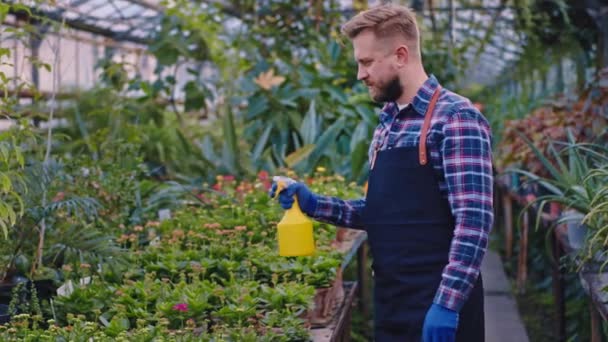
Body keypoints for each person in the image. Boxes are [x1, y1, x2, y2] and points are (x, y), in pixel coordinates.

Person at [270, 4, 493, 342]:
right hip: (391, 302)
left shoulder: (456, 118)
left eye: (367, 62)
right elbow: (385, 212)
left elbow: (474, 222)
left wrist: (447, 305)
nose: (361, 74)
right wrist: (314, 204)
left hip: (440, 304)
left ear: (401, 55)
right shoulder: (388, 123)